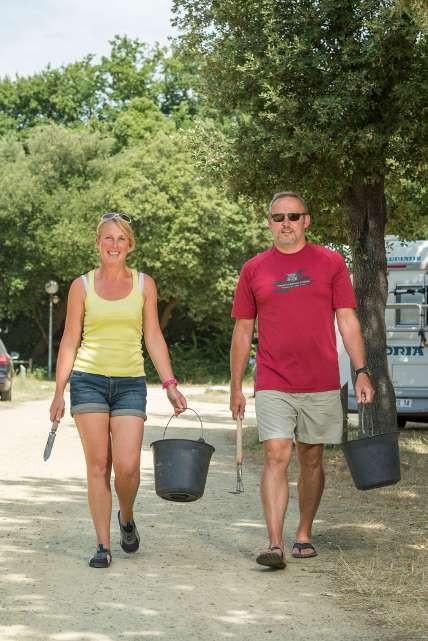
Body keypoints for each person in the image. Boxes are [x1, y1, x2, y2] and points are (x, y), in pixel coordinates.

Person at [230, 191, 374, 570]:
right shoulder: (254, 269)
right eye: (278, 217)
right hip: (273, 378)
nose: (286, 223)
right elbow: (244, 331)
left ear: (307, 220)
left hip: (322, 379)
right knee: (277, 454)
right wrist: (236, 386)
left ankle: (304, 533)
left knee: (311, 458)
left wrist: (361, 370)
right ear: (268, 223)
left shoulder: (330, 262)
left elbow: (346, 318)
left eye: (294, 216)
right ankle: (275, 544)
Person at [50, 212, 187, 568]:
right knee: (98, 466)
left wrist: (169, 383)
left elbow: (153, 336)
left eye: (120, 239)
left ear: (130, 245)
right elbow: (69, 340)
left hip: (130, 383)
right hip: (87, 380)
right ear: (98, 244)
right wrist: (58, 392)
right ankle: (102, 545)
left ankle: (126, 516)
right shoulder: (81, 286)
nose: (114, 245)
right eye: (107, 238)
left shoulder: (145, 285)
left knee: (126, 466)